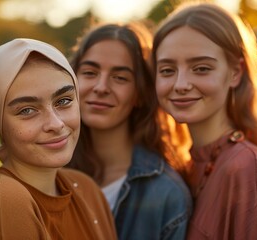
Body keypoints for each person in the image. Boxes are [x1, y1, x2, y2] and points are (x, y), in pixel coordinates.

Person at [0, 38, 117, 240]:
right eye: (27, 110)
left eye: (64, 101)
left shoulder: (86, 189)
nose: (56, 123)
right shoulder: (4, 200)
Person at [153, 2, 257, 239]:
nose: (180, 84)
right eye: (167, 70)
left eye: (201, 68)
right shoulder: (186, 167)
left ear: (235, 72)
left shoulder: (248, 168)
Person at [67, 22, 192, 239]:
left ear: (140, 93)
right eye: (89, 72)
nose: (101, 87)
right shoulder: (47, 172)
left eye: (120, 78)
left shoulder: (166, 193)